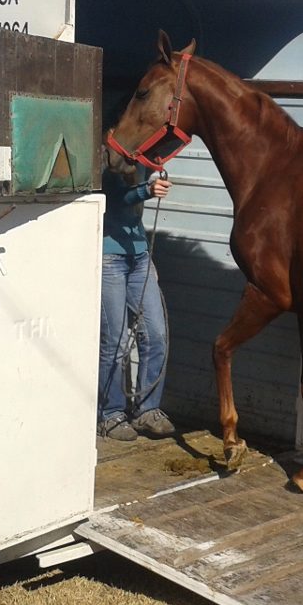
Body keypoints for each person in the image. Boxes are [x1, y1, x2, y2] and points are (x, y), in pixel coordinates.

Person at [97, 163, 176, 441]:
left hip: (139, 254)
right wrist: (148, 189)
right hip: (109, 256)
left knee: (156, 335)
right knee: (115, 342)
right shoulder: (108, 154)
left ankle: (147, 410)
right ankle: (110, 414)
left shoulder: (142, 156)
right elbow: (114, 196)